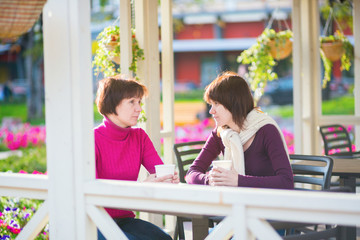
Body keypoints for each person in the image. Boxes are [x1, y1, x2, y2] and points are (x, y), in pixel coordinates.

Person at [94, 75, 178, 240]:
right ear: (112, 103)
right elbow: (94, 193)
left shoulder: (139, 137)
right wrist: (140, 187)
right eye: (131, 102)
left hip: (125, 219)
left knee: (164, 239)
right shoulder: (93, 139)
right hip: (95, 220)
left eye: (139, 102)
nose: (138, 108)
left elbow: (158, 170)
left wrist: (167, 179)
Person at [185, 71, 294, 189]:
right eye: (211, 104)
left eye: (216, 103)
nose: (211, 111)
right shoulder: (222, 133)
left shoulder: (266, 130)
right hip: (233, 203)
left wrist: (238, 180)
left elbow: (286, 181)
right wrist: (209, 180)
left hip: (266, 203)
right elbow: (191, 173)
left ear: (233, 103)